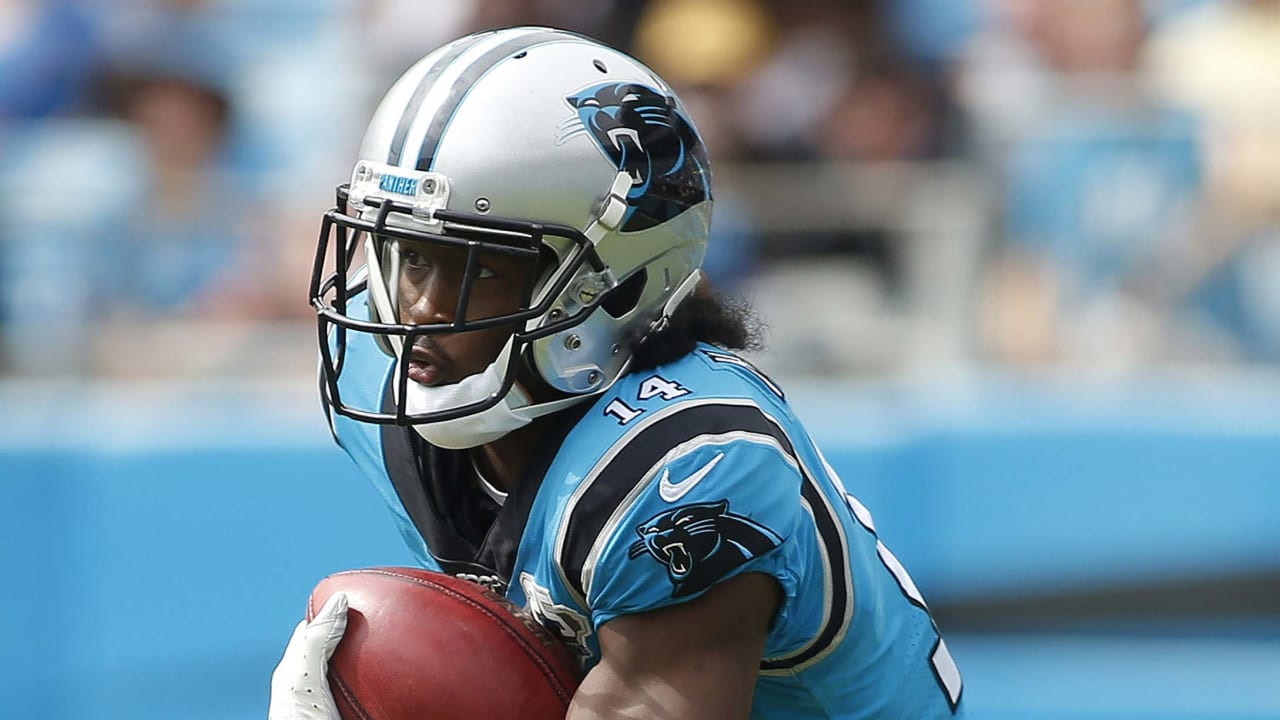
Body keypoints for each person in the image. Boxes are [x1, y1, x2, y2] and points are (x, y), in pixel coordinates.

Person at [270, 26, 964, 719]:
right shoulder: (375, 368)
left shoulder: (688, 465)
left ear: (612, 285)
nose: (415, 308)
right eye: (411, 254)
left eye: (475, 268)